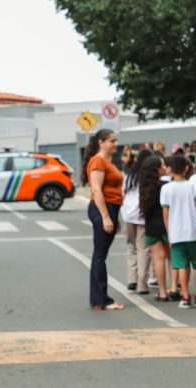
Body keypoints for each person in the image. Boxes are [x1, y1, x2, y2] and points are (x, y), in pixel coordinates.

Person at [82, 128, 125, 311]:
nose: (115, 144)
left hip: (111, 208)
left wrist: (116, 217)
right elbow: (97, 190)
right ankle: (101, 300)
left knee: (100, 255)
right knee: (100, 255)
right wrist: (106, 216)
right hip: (102, 208)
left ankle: (98, 299)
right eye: (111, 141)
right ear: (101, 142)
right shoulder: (98, 161)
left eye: (116, 140)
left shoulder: (108, 161)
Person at [161, 155, 196, 309]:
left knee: (181, 265)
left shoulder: (166, 188)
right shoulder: (192, 186)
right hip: (193, 231)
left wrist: (169, 232)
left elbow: (165, 213)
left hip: (176, 233)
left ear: (170, 170)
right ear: (186, 168)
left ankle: (185, 296)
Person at [138, 155, 178, 302]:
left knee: (158, 258)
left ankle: (162, 292)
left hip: (151, 226)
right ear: (157, 170)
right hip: (167, 224)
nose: (165, 167)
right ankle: (174, 288)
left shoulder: (143, 187)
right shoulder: (165, 186)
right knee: (172, 258)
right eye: (162, 165)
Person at [121, 149, 154, 295]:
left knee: (131, 247)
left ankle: (131, 281)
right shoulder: (148, 177)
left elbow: (123, 194)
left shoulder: (129, 176)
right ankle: (142, 284)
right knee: (144, 249)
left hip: (127, 215)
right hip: (142, 216)